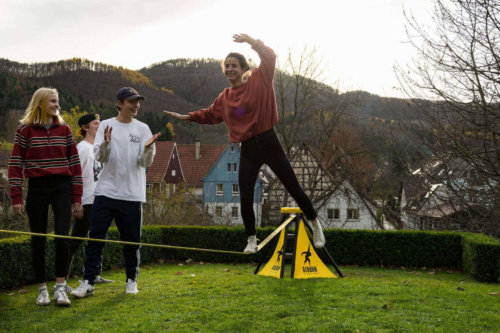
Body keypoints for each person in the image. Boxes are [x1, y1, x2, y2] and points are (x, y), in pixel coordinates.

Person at [164, 34, 326, 254]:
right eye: (226, 66)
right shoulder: (225, 97)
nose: (229, 69)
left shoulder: (259, 80)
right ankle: (251, 238)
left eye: (234, 66)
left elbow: (269, 57)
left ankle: (315, 224)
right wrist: (188, 117)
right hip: (248, 148)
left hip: (269, 141)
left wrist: (252, 41)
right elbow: (210, 114)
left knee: (293, 186)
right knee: (246, 195)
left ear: (243, 69)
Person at [71, 87, 160, 298]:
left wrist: (147, 149)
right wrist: (107, 145)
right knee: (95, 239)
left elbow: (144, 163)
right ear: (119, 103)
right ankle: (88, 282)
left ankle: (131, 280)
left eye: (138, 102)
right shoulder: (105, 125)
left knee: (131, 241)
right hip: (106, 192)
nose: (136, 105)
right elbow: (100, 158)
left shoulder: (143, 129)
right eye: (131, 101)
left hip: (131, 194)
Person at [8, 87, 83, 306]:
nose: (57, 104)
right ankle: (42, 289)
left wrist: (77, 198)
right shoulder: (25, 130)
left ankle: (60, 287)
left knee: (62, 236)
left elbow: (75, 166)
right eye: (52, 101)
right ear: (40, 103)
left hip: (62, 187)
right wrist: (16, 197)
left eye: (57, 100)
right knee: (38, 238)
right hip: (37, 187)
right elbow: (15, 166)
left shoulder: (65, 129)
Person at [65, 113, 114, 286]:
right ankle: (62, 280)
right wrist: (75, 201)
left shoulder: (99, 148)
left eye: (100, 123)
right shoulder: (82, 148)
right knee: (76, 240)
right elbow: (73, 175)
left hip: (101, 199)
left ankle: (94, 274)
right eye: (95, 123)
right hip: (86, 201)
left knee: (99, 239)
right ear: (85, 128)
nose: (99, 126)